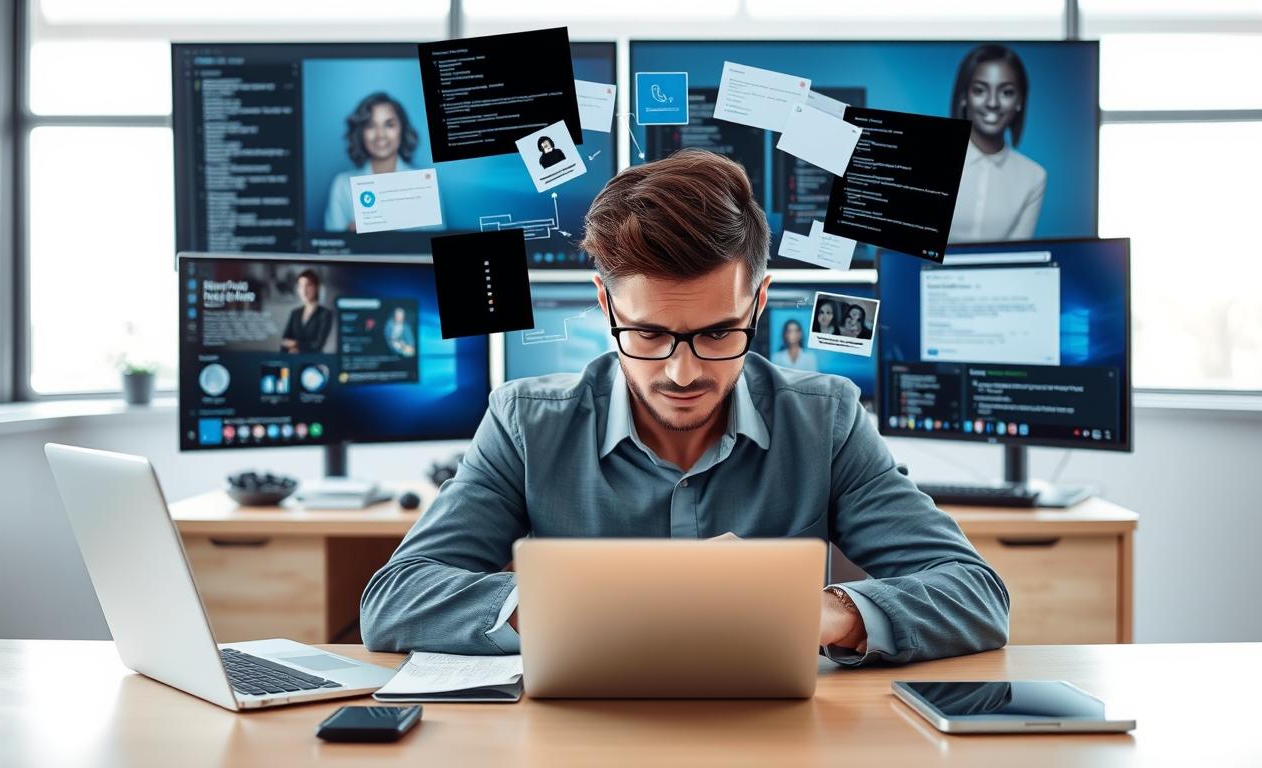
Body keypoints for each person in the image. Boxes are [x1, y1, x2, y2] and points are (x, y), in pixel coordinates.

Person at [361, 148, 1009, 666]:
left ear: (758, 305)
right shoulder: (525, 420)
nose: (683, 372)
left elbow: (976, 593)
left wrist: (822, 611)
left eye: (718, 333)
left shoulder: (826, 417)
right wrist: (603, 603)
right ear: (606, 305)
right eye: (648, 335)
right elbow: (394, 600)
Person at [948, 44, 1047, 243]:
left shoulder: (1034, 177)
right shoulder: (926, 158)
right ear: (964, 97)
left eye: (1006, 93)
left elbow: (1013, 257)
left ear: (1020, 101)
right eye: (979, 90)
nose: (992, 103)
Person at [324, 92, 420, 232]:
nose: (380, 135)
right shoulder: (342, 185)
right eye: (370, 125)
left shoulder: (423, 184)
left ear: (402, 129)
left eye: (389, 125)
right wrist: (349, 233)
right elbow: (329, 248)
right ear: (360, 133)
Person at [280, 269, 333, 354]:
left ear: (316, 287)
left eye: (308, 285)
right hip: (292, 360)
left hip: (314, 362)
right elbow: (284, 341)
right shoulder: (295, 313)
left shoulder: (325, 314)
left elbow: (318, 345)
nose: (304, 290)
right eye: (301, 286)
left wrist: (295, 344)